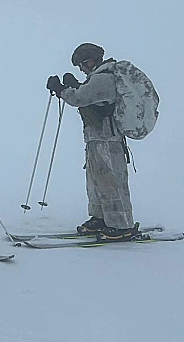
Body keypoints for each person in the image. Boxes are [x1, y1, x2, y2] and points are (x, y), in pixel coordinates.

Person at [46, 43, 138, 241]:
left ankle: (121, 225)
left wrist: (63, 90)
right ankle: (100, 218)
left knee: (110, 181)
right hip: (97, 139)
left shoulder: (104, 78)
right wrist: (74, 86)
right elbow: (89, 97)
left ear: (90, 60)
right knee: (96, 180)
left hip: (108, 140)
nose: (81, 69)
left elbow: (81, 98)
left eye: (81, 64)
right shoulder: (97, 78)